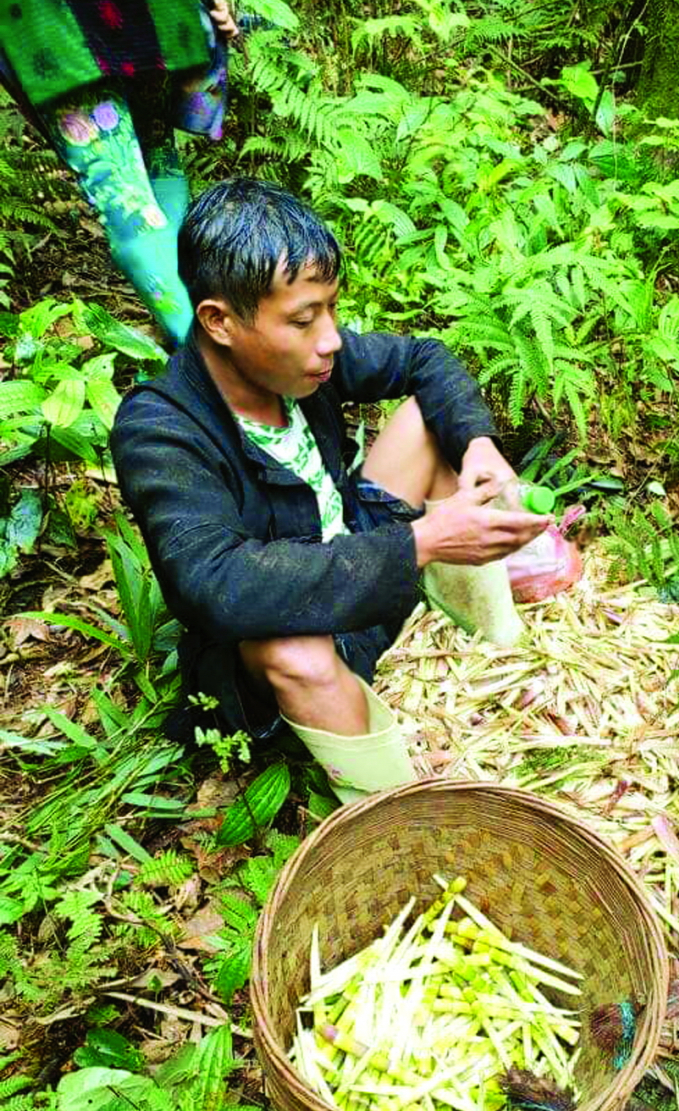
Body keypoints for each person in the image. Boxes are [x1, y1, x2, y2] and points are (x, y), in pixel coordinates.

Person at [110, 178, 549, 800]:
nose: (331, 339)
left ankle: (489, 643)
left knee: (432, 420)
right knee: (298, 657)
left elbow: (426, 360)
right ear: (219, 321)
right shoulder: (159, 429)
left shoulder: (301, 360)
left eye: (331, 309)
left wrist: (477, 444)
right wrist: (419, 544)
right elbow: (217, 585)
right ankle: (393, 811)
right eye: (303, 319)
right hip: (297, 627)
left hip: (354, 553)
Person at [0, 0, 238, 348]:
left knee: (126, 201)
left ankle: (227, 369)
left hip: (51, 15)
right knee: (159, 161)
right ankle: (204, 351)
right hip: (149, 6)